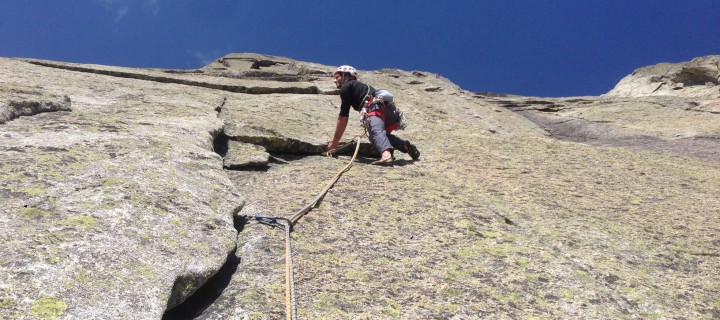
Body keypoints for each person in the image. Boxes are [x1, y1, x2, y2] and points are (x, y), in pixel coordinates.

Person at [327, 65, 420, 165]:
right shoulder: (361, 87)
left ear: (346, 75)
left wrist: (335, 142)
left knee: (376, 131)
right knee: (377, 135)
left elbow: (343, 116)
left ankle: (386, 155)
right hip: (390, 112)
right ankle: (404, 146)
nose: (335, 80)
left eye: (337, 77)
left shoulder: (346, 87)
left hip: (375, 109)